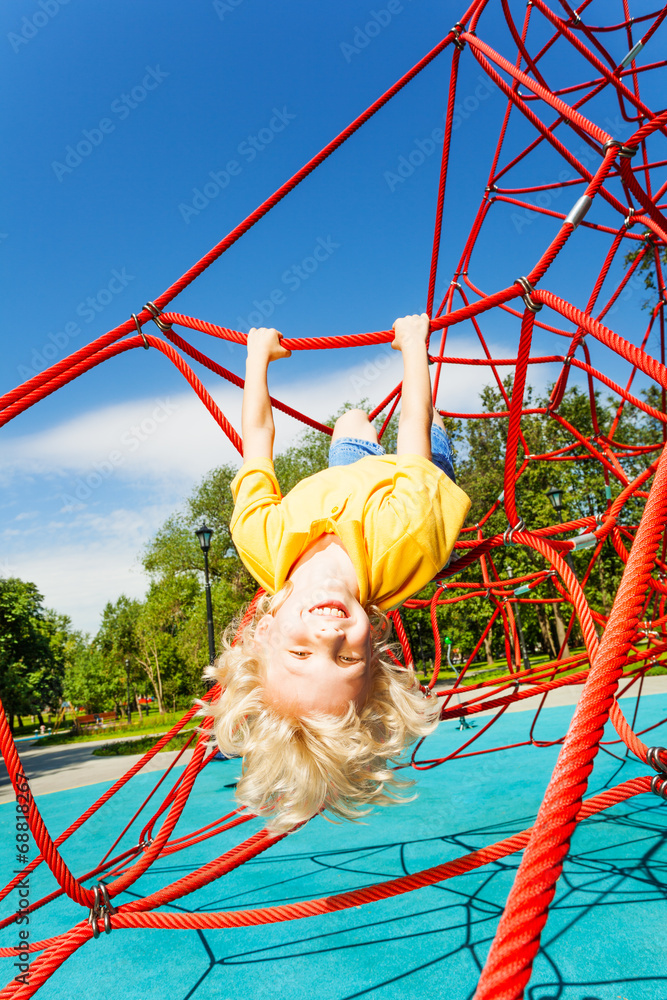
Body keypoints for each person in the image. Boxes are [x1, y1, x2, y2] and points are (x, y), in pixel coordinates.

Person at [205, 314, 471, 832]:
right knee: (426, 421)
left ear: (265, 630)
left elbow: (257, 439)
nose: (328, 635)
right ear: (375, 649)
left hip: (346, 473)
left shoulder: (260, 540)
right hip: (417, 477)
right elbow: (411, 430)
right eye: (346, 657)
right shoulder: (406, 541)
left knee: (351, 417)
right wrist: (415, 347)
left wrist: (256, 359)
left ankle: (358, 434)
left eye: (301, 652)